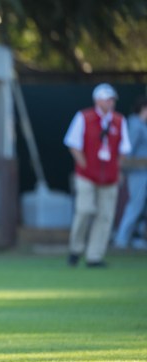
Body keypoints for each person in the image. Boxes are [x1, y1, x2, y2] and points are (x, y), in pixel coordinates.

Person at [64, 83, 131, 267]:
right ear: (98, 100)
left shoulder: (119, 120)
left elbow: (124, 148)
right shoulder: (84, 117)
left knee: (105, 216)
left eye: (112, 99)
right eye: (107, 99)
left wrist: (117, 167)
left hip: (109, 177)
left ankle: (94, 256)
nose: (111, 103)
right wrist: (84, 163)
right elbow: (72, 143)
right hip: (86, 175)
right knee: (84, 210)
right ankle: (76, 249)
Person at [114, 96, 147, 250]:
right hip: (137, 173)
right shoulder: (134, 124)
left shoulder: (142, 125)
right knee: (135, 205)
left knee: (141, 207)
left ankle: (136, 237)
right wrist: (121, 169)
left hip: (143, 172)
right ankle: (121, 238)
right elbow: (126, 153)